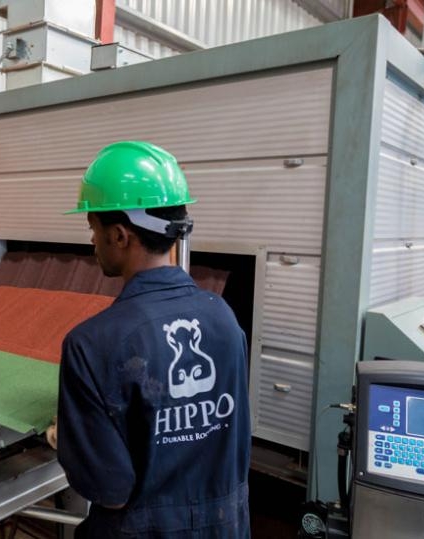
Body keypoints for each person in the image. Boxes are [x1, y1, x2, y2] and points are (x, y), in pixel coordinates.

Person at [55, 141, 251, 538]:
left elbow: (109, 491)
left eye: (93, 228)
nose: (92, 241)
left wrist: (67, 437)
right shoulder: (223, 319)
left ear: (121, 235)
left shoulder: (90, 345)